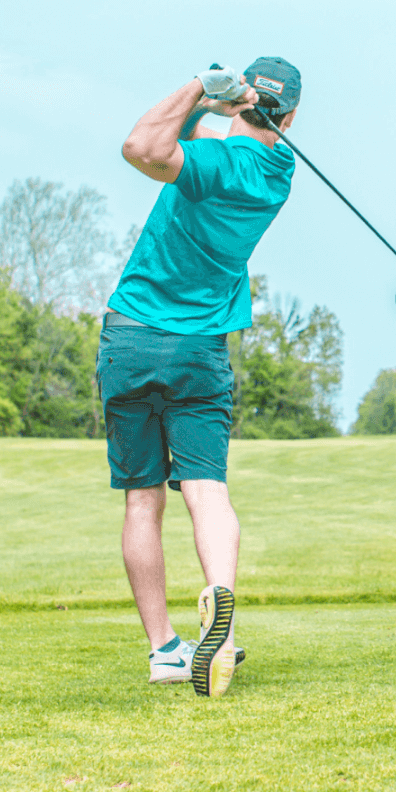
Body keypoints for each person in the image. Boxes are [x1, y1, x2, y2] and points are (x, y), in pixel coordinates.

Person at [100, 58, 300, 697]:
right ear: (290, 117)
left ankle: (164, 650)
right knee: (207, 489)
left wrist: (198, 88)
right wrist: (223, 108)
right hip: (200, 353)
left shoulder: (211, 164)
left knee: (143, 497)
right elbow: (181, 149)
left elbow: (141, 147)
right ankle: (223, 619)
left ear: (241, 104)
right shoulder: (278, 175)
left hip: (131, 338)